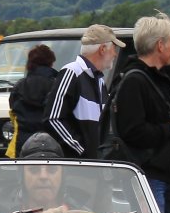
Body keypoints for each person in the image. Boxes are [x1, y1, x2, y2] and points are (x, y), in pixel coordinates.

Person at [109, 15, 170, 213]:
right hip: (150, 176)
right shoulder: (134, 81)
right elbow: (132, 132)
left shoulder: (161, 78)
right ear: (160, 45)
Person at [49, 24, 123, 158]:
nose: (115, 53)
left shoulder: (99, 80)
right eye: (114, 48)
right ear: (102, 49)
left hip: (93, 165)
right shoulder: (72, 72)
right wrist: (82, 151)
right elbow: (53, 118)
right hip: (79, 167)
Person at [7, 43, 58, 151]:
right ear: (50, 62)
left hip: (23, 142)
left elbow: (12, 109)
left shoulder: (19, 86)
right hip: (51, 141)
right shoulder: (57, 86)